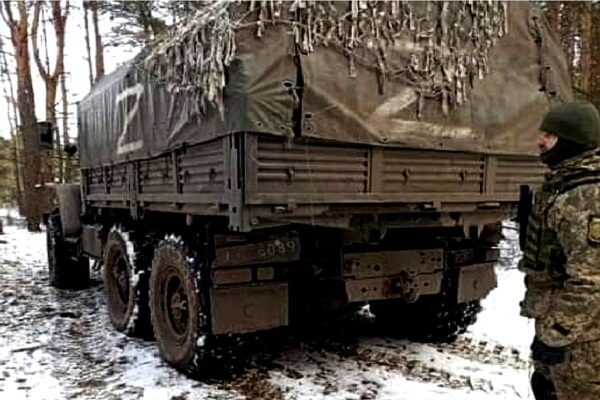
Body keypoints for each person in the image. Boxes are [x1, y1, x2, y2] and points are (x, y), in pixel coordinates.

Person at [519, 101, 600, 400]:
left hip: (584, 337)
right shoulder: (562, 184)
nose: (540, 141)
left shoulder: (585, 197)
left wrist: (557, 334)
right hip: (564, 325)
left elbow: (591, 280)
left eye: (550, 135)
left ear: (571, 141)